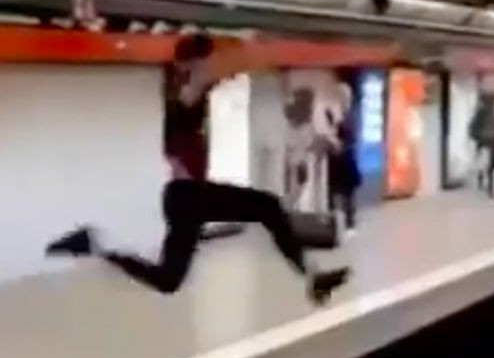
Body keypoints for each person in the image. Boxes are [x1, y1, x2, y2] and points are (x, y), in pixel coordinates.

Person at [46, 34, 351, 304]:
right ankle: (313, 277)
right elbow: (206, 74)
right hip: (188, 194)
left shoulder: (183, 92)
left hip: (184, 199)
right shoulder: (185, 93)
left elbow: (207, 79)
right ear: (188, 63)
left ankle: (92, 245)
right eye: (202, 62)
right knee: (268, 206)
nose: (208, 68)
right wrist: (250, 49)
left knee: (168, 281)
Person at [326, 83, 361, 236]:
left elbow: (351, 138)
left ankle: (350, 224)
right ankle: (337, 224)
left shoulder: (351, 115)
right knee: (334, 192)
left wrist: (340, 144)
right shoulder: (335, 113)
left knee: (347, 194)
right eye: (338, 95)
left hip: (346, 159)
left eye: (342, 95)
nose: (340, 98)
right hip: (335, 160)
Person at [469, 92, 494, 198]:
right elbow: (473, 127)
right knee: (489, 165)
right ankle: (490, 189)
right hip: (486, 142)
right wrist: (480, 139)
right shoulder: (482, 112)